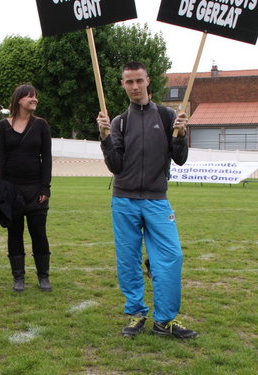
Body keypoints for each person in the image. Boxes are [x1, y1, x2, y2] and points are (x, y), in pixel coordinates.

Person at [97, 61, 198, 339]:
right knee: (128, 260)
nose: (135, 87)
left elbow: (180, 159)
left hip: (157, 200)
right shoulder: (119, 121)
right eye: (129, 82)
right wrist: (105, 137)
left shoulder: (166, 116)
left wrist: (181, 134)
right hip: (124, 200)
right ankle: (136, 314)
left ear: (148, 81)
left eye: (139, 81)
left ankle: (164, 321)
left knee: (172, 256)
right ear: (123, 85)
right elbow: (115, 165)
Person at [0, 84, 52, 292]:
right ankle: (18, 277)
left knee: (39, 234)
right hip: (11, 191)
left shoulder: (41, 125)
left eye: (35, 96)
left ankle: (43, 276)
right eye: (29, 96)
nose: (34, 99)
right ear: (19, 100)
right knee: (14, 234)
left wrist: (45, 188)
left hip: (36, 190)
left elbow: (47, 158)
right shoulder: (3, 126)